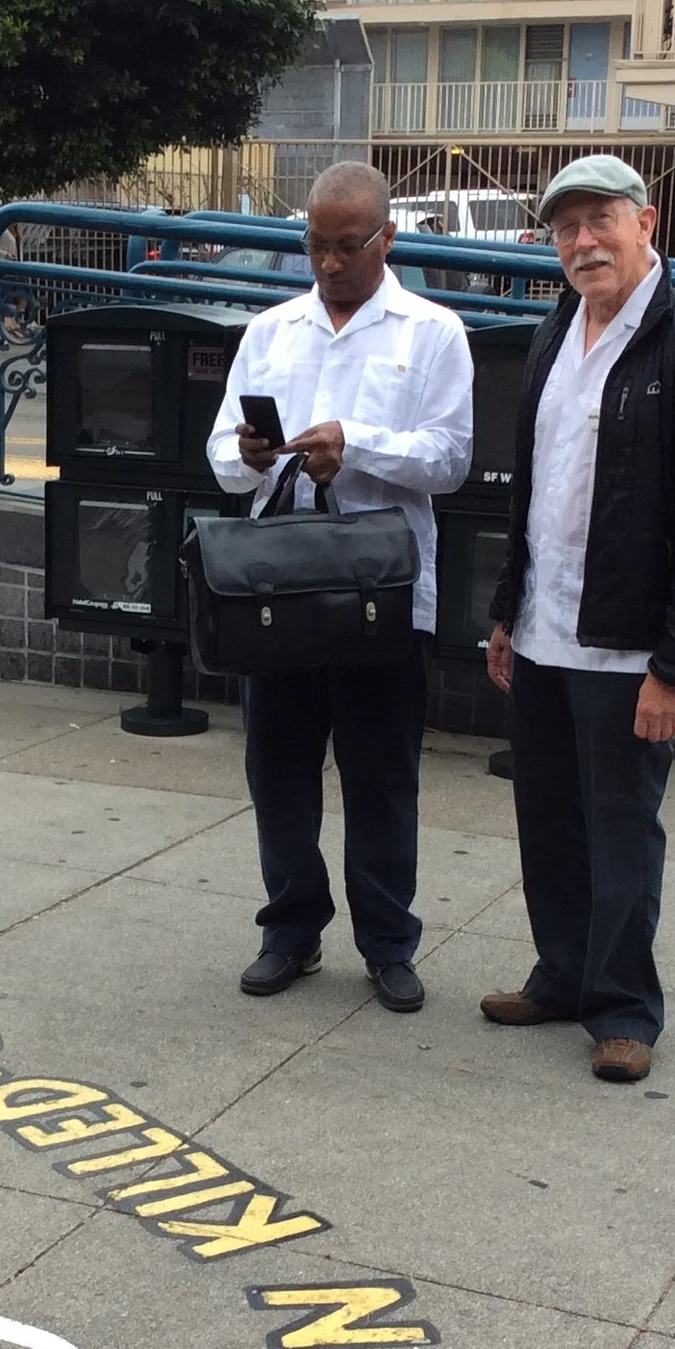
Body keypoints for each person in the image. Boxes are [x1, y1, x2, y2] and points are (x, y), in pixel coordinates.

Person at [480, 155, 675, 1081]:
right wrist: (506, 608)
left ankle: (624, 1006)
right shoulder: (558, 332)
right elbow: (534, 489)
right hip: (547, 630)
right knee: (548, 818)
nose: (583, 242)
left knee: (623, 829)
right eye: (566, 228)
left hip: (630, 648)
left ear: (648, 222)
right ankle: (561, 973)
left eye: (600, 221)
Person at [208, 162, 474, 1013]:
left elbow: (450, 458)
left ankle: (389, 941)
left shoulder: (430, 332)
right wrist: (248, 457)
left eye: (346, 246)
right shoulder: (272, 329)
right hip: (279, 589)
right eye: (315, 244)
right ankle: (290, 928)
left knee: (381, 773)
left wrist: (352, 445)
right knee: (277, 767)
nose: (327, 263)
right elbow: (219, 455)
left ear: (386, 239)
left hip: (382, 595)